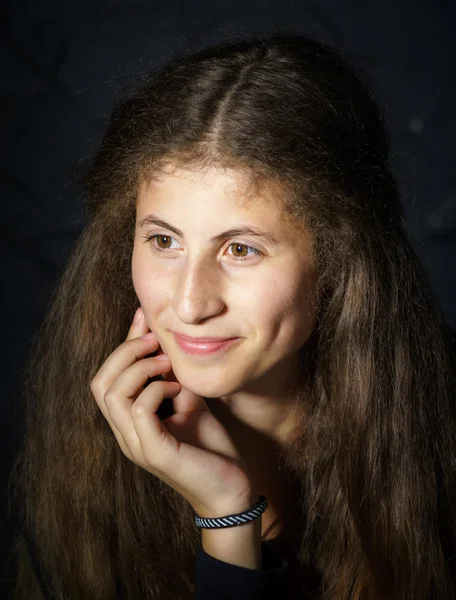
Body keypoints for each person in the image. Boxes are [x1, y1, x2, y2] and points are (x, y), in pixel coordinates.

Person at [7, 33, 456, 600]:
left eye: (241, 249)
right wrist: (227, 516)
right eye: (164, 240)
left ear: (339, 261)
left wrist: (225, 520)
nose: (190, 304)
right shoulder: (84, 441)